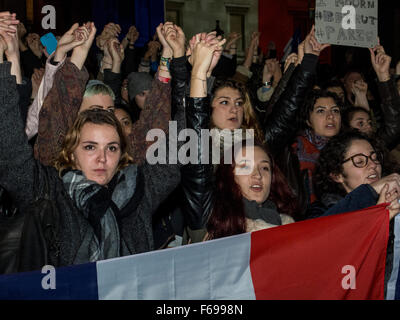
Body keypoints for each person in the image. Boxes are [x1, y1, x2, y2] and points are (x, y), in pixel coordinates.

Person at [0, 47, 184, 271]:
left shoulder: (139, 190)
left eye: (112, 148)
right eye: (90, 147)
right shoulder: (49, 191)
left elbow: (181, 145)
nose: (102, 158)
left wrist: (196, 77)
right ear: (71, 152)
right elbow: (10, 153)